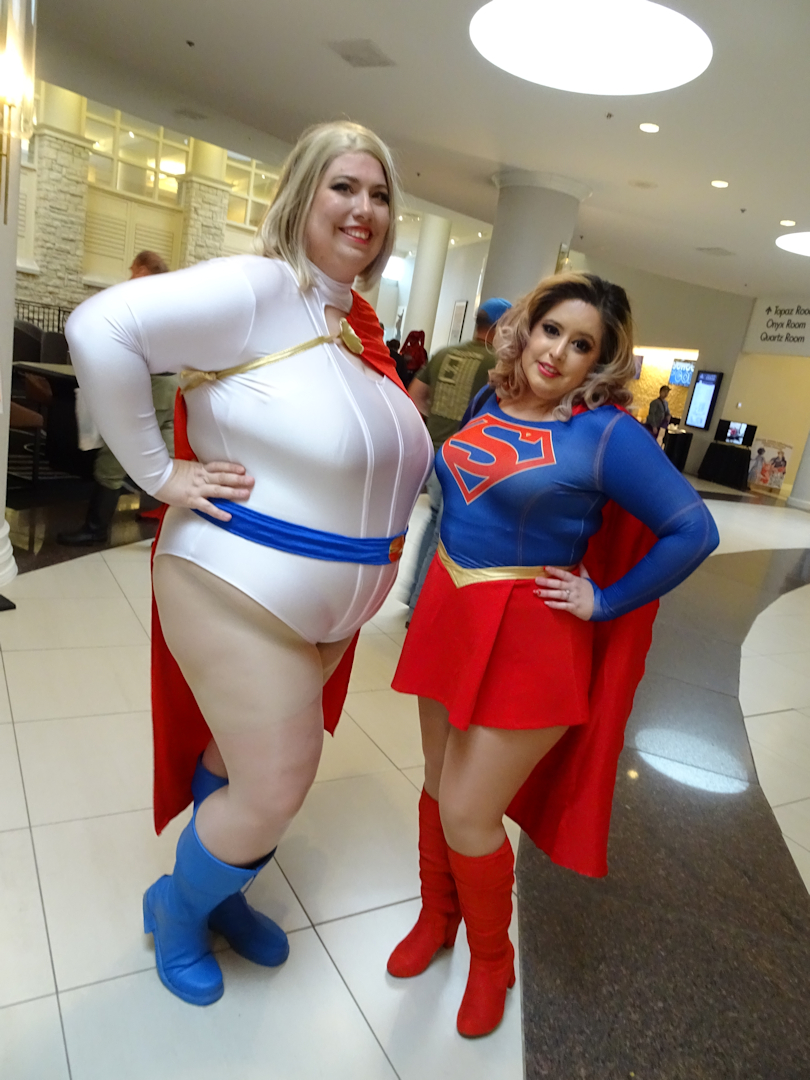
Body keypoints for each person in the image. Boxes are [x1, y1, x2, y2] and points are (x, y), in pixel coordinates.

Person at [65, 121, 433, 1007]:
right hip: (239, 584)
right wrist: (160, 474)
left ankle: (220, 893)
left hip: (325, 605)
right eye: (344, 186)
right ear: (302, 194)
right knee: (276, 785)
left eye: (380, 194)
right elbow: (101, 325)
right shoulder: (263, 286)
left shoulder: (351, 324)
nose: (365, 208)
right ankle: (177, 908)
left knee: (240, 762)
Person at [388, 272, 719, 1038]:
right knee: (437, 785)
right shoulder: (491, 396)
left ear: (600, 361)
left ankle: (491, 960)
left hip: (532, 637)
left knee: (470, 811)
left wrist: (605, 600)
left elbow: (693, 530)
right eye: (551, 330)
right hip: (451, 612)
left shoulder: (607, 435)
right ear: (527, 328)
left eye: (582, 345)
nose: (558, 352)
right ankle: (436, 918)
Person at [58, 251, 179, 546]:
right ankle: (174, 520)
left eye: (132, 269)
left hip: (150, 385)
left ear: (142, 271)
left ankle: (96, 528)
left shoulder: (142, 300)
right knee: (169, 455)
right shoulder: (170, 300)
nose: (129, 276)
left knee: (115, 453)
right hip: (171, 384)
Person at [405, 297, 512, 618]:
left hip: (433, 449)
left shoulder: (443, 354)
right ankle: (420, 608)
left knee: (432, 522)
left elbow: (415, 396)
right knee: (444, 534)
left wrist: (438, 419)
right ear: (499, 327)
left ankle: (412, 594)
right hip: (465, 460)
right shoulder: (497, 365)